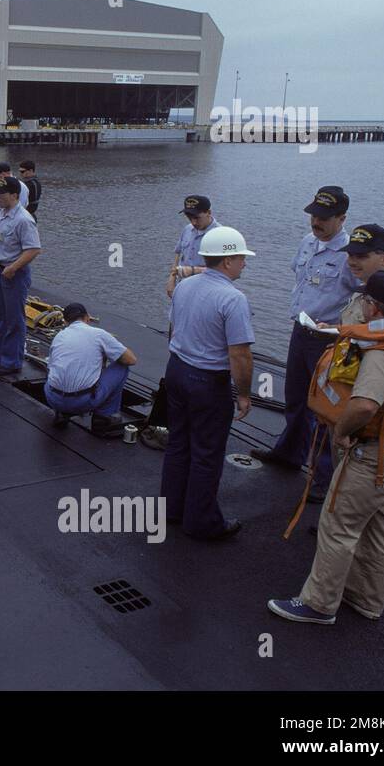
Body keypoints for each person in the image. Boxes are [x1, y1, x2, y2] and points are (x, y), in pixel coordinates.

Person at [269, 271, 384, 624]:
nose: (362, 305)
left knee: (338, 525)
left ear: (375, 308)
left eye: (365, 300)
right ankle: (367, 599)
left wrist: (341, 432)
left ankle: (318, 604)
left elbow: (365, 404)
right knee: (379, 527)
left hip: (374, 455)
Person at [251, 187, 362, 505]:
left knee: (327, 411)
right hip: (301, 332)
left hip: (329, 341)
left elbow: (368, 292)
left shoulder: (349, 255)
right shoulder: (307, 242)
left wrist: (346, 329)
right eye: (314, 215)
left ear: (342, 218)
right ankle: (289, 453)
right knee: (296, 399)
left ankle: (323, 476)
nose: (317, 222)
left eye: (325, 218)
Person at [160, 225, 257, 540]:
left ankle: (171, 510)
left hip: (176, 370)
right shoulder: (233, 298)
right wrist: (244, 395)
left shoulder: (184, 286)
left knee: (178, 443)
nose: (244, 263)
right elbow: (239, 354)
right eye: (241, 258)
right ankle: (201, 522)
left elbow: (174, 330)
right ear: (228, 261)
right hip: (207, 382)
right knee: (207, 452)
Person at [0, 179, 41, 375]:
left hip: (14, 275)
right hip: (0, 271)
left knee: (15, 320)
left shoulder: (23, 219)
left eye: (2, 193)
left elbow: (33, 249)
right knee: (3, 317)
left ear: (14, 195)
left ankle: (12, 362)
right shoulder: (3, 215)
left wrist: (13, 267)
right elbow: (0, 242)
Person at [44, 303, 138, 432]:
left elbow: (50, 367)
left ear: (65, 321)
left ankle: (61, 413)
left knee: (54, 370)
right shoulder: (98, 334)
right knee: (122, 367)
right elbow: (131, 359)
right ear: (87, 317)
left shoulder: (59, 336)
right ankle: (104, 416)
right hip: (82, 402)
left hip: (53, 399)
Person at [335, 224, 384, 325]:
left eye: (361, 256)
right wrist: (330, 328)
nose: (352, 262)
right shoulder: (362, 288)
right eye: (350, 255)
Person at [167, 195, 220, 298]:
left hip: (206, 292)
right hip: (182, 287)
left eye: (197, 218)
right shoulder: (188, 229)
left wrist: (193, 270)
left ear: (208, 213)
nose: (193, 222)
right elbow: (178, 254)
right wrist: (171, 279)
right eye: (189, 217)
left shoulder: (220, 235)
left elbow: (225, 272)